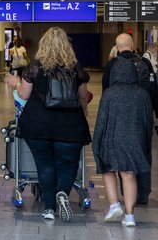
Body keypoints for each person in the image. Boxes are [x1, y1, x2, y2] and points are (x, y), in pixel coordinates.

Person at [17, 27, 91, 222]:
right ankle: (63, 192)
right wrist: (84, 115)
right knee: (68, 163)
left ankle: (49, 208)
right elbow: (83, 96)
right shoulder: (75, 67)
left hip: (38, 124)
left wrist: (15, 84)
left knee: (45, 165)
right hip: (70, 123)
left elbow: (24, 94)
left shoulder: (35, 66)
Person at [93, 58, 153, 227]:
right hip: (135, 140)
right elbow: (148, 122)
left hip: (112, 139)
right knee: (128, 174)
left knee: (107, 168)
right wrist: (146, 145)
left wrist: (96, 141)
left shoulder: (110, 94)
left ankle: (113, 204)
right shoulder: (142, 94)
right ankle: (130, 215)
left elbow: (101, 121)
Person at [102, 33, 156, 205]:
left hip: (119, 114)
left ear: (116, 47)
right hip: (142, 112)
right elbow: (153, 88)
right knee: (143, 149)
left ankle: (128, 193)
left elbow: (106, 91)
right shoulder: (145, 63)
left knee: (122, 151)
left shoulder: (112, 65)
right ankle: (143, 193)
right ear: (132, 45)